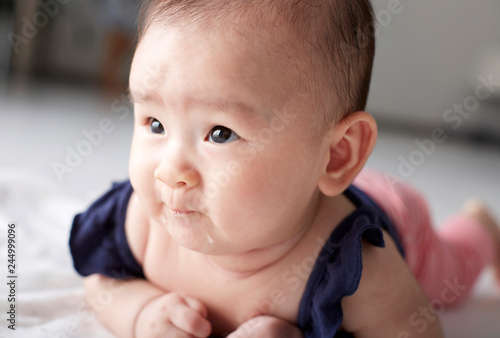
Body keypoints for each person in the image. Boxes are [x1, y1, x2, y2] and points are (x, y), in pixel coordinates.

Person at [69, 0, 500, 337]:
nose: (170, 171)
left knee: (455, 274)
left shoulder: (357, 270)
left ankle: (480, 225)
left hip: (395, 212)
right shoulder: (142, 221)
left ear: (337, 156)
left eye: (220, 133)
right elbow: (101, 282)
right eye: (155, 124)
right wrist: (141, 311)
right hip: (306, 187)